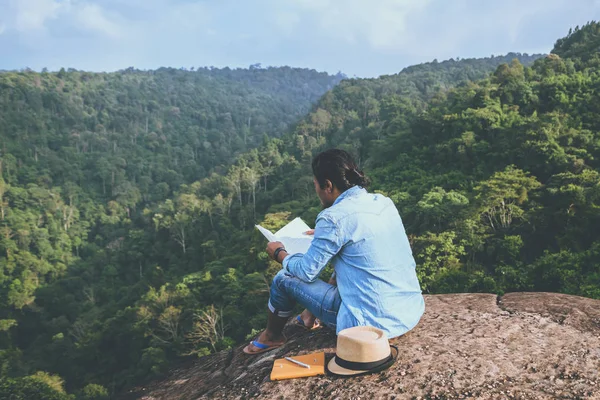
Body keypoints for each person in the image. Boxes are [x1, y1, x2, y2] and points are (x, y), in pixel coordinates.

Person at [243, 149, 424, 354]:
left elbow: (305, 271)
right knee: (348, 260)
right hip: (408, 311)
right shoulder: (383, 202)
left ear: (327, 185)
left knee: (284, 278)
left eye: (316, 185)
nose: (317, 191)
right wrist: (325, 236)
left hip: (367, 324)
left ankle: (271, 337)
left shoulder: (333, 217)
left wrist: (280, 253)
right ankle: (308, 316)